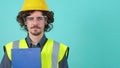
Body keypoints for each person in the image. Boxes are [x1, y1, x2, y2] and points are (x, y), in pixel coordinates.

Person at [0, 0, 69, 68]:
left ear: (45, 21)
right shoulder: (11, 49)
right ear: (25, 21)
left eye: (39, 18)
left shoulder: (59, 49)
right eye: (30, 19)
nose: (35, 23)